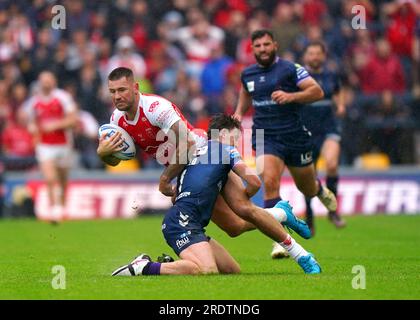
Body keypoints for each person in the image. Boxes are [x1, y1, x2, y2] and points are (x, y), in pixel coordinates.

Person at [97, 67, 311, 260]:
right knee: (234, 227)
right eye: (113, 91)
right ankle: (281, 213)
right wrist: (103, 153)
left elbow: (188, 143)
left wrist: (165, 178)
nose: (117, 96)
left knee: (243, 209)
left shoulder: (155, 108)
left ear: (135, 88)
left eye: (122, 90)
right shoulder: (117, 120)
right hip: (183, 170)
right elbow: (116, 159)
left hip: (204, 157)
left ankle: (297, 251)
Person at [111, 114, 321, 276]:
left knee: (232, 270)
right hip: (182, 224)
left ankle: (170, 265)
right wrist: (244, 195)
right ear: (222, 135)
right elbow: (255, 182)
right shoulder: (226, 151)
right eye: (235, 138)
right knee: (206, 270)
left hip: (186, 222)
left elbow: (177, 194)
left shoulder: (192, 153)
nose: (236, 144)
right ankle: (144, 267)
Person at [233, 29, 337, 259]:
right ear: (252, 49)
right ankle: (280, 240)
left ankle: (319, 190)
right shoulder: (248, 74)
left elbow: (317, 91)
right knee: (269, 182)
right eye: (258, 46)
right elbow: (245, 93)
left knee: (306, 187)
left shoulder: (291, 69)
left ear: (275, 45)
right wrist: (239, 113)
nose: (262, 49)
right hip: (265, 135)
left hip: (294, 135)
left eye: (266, 44)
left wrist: (291, 97)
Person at [301, 41, 347, 234]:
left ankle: (332, 210)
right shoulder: (298, 75)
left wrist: (341, 105)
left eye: (317, 53)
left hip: (328, 127)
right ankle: (310, 215)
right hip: (306, 130)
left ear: (323, 56)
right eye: (311, 53)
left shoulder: (331, 74)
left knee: (332, 165)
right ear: (306, 56)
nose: (314, 57)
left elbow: (338, 90)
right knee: (308, 175)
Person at [25, 71, 78, 222]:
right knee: (49, 177)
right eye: (43, 80)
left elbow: (73, 119)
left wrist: (55, 125)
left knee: (62, 178)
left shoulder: (63, 97)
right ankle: (55, 210)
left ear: (54, 81)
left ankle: (62, 207)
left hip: (63, 144)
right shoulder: (34, 101)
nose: (46, 83)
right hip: (44, 145)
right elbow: (27, 119)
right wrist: (31, 127)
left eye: (49, 80)